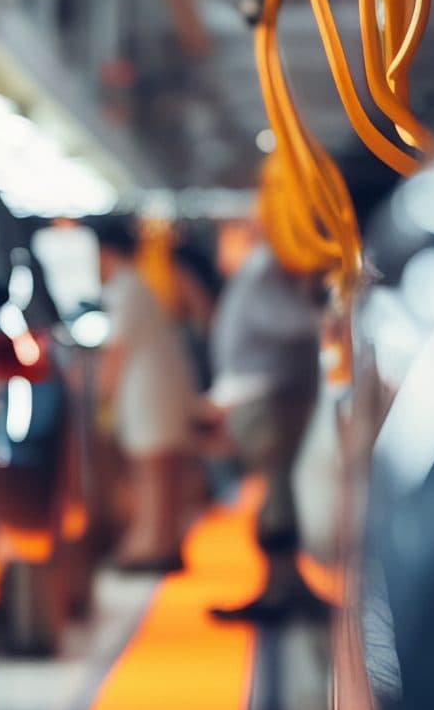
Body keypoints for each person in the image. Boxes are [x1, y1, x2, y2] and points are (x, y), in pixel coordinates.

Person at [206, 228, 328, 622]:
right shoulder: (268, 271)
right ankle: (278, 589)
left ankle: (287, 584)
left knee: (281, 491)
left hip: (265, 398)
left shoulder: (264, 270)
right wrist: (333, 309)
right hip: (264, 400)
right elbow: (293, 324)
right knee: (278, 491)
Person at [93, 216, 200, 572]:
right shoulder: (138, 284)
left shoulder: (123, 288)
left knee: (151, 475)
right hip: (161, 388)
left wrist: (101, 397)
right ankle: (162, 542)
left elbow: (117, 349)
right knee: (163, 474)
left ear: (104, 253)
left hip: (147, 393)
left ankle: (152, 547)